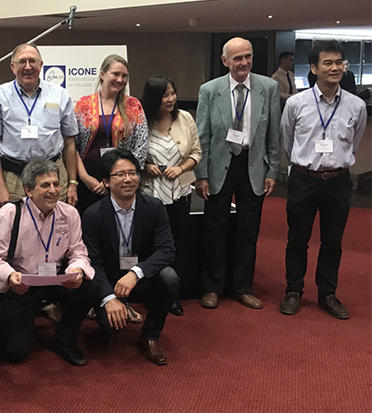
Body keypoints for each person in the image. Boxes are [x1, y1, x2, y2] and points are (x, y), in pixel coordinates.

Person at [280, 40, 367, 319]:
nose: (334, 67)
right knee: (297, 240)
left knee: (333, 242)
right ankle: (293, 290)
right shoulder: (296, 103)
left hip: (339, 182)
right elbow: (288, 140)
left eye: (339, 62)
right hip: (304, 179)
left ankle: (327, 293)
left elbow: (354, 143)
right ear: (314, 68)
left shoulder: (356, 105)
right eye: (327, 63)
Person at [195, 37, 281, 310]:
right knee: (215, 229)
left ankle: (242, 287)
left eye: (248, 56)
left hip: (253, 165)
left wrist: (273, 170)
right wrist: (201, 174)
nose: (244, 62)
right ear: (225, 61)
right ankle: (212, 287)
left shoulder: (268, 87)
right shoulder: (210, 90)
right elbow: (202, 134)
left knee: (248, 231)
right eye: (237, 58)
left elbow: (273, 133)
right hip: (220, 165)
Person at [0, 160, 95, 366]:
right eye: (45, 185)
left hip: (57, 280)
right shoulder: (10, 212)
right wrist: (10, 276)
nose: (53, 190)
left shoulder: (69, 213)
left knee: (88, 286)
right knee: (14, 353)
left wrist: (76, 270)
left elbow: (78, 251)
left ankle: (63, 341)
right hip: (22, 284)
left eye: (56, 184)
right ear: (28, 190)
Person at [82, 149, 178, 365]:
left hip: (140, 278)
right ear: (106, 181)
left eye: (132, 173)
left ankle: (150, 335)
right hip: (108, 280)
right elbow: (92, 263)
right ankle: (108, 314)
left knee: (169, 277)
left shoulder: (154, 207)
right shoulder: (93, 214)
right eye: (120, 174)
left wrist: (136, 273)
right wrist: (109, 297)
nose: (128, 179)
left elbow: (167, 250)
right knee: (108, 333)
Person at [0, 43, 79, 209]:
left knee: (55, 227)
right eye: (22, 62)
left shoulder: (60, 95)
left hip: (53, 177)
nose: (27, 67)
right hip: (14, 178)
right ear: (12, 67)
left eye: (32, 61)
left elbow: (69, 142)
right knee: (16, 230)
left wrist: (72, 183)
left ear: (41, 65)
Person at [140, 75, 202, 316]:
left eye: (173, 93)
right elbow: (131, 152)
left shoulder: (184, 118)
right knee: (149, 245)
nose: (171, 99)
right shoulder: (141, 120)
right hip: (150, 193)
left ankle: (171, 294)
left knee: (176, 244)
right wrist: (145, 166)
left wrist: (182, 168)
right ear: (154, 98)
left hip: (180, 192)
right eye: (165, 95)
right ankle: (148, 291)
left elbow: (196, 152)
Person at [74, 54, 148, 215]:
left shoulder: (133, 105)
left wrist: (121, 177)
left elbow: (141, 146)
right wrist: (85, 178)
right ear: (102, 75)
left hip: (122, 177)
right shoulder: (83, 105)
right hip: (88, 177)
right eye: (115, 74)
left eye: (124, 76)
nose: (120, 79)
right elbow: (73, 146)